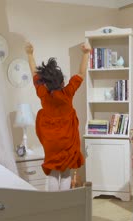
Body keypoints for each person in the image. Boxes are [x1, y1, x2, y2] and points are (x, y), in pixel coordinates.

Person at [25, 41, 91, 190]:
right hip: (67, 139)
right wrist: (86, 53)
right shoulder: (67, 93)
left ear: (45, 83)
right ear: (62, 82)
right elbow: (81, 73)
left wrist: (29, 54)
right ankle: (64, 202)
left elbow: (34, 73)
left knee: (53, 172)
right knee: (66, 172)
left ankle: (54, 203)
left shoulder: (43, 93)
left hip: (51, 141)